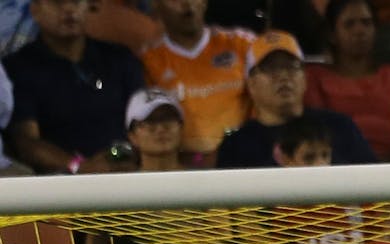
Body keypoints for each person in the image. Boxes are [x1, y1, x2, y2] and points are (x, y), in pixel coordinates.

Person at [3, 0, 145, 174]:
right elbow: (26, 142)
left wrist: (119, 156)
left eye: (76, 2)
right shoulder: (18, 68)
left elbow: (143, 126)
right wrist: (80, 166)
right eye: (58, 3)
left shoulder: (120, 59)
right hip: (56, 187)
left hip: (125, 174)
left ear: (89, 7)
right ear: (35, 10)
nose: (69, 9)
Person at [216, 30, 376, 168]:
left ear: (305, 78)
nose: (284, 76)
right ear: (251, 83)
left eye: (291, 66)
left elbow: (376, 186)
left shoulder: (340, 127)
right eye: (271, 68)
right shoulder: (236, 146)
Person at [304, 0, 390, 161]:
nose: (360, 30)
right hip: (337, 168)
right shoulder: (314, 77)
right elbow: (317, 131)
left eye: (366, 23)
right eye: (349, 24)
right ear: (332, 34)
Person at [140, 0, 255, 162]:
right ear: (156, 6)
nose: (187, 4)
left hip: (247, 161)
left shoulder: (242, 44)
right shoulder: (148, 61)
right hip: (184, 170)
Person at [124, 87, 186, 172]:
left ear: (181, 129)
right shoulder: (123, 184)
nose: (160, 129)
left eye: (168, 119)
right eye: (150, 122)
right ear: (133, 136)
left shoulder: (202, 180)